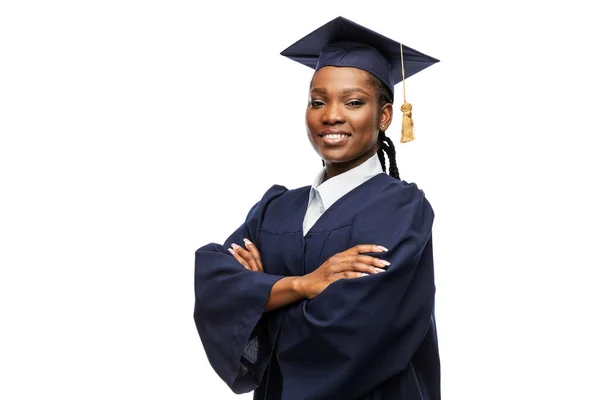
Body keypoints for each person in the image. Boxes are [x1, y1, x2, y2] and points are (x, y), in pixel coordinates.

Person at [194, 16, 440, 400]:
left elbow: (356, 331)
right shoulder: (275, 208)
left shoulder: (401, 209)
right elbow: (215, 287)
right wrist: (304, 285)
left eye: (354, 102)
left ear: (385, 116)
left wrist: (262, 298)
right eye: (317, 101)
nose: (331, 116)